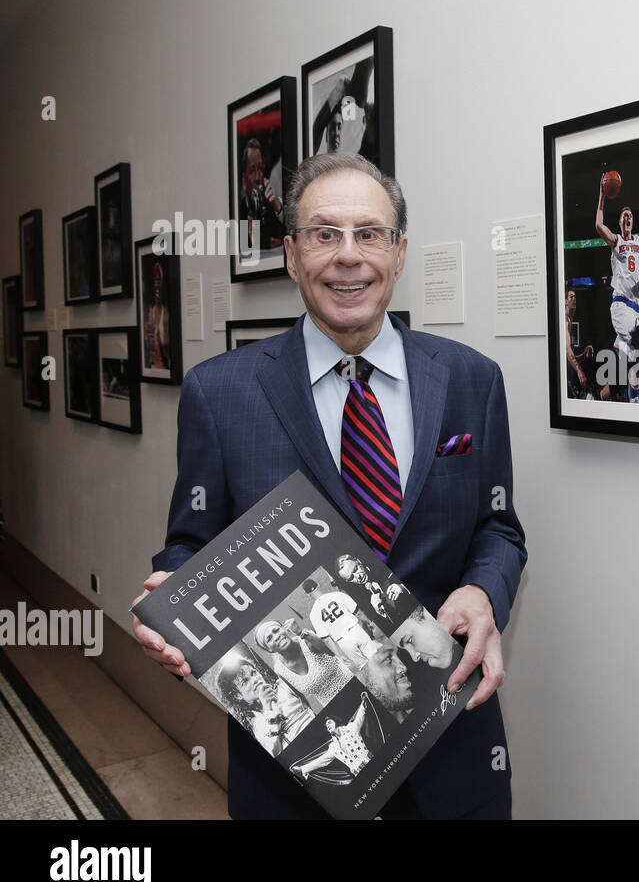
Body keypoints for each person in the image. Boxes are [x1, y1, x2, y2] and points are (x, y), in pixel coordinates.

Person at [132, 150, 526, 820]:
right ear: (291, 255)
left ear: (399, 252)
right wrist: (175, 598)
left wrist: (483, 590)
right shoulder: (220, 394)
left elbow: (498, 527)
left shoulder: (471, 380)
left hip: (451, 748)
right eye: (324, 233)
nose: (350, 256)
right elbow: (189, 545)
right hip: (297, 770)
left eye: (369, 233)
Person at [594, 181, 639, 399]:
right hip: (620, 306)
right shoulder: (615, 240)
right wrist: (602, 196)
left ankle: (611, 395)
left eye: (630, 215)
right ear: (620, 221)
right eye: (624, 215)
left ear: (633, 221)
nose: (627, 217)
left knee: (635, 360)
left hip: (635, 309)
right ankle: (631, 392)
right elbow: (598, 226)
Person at [255, 618, 352, 705]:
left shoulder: (306, 639)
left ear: (284, 629)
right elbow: (300, 698)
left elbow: (332, 652)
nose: (276, 637)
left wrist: (300, 633)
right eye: (269, 638)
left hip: (352, 685)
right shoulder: (279, 670)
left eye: (276, 630)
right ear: (269, 649)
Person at [238, 137, 286, 252]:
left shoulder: (268, 206)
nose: (257, 177)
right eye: (252, 170)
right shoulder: (239, 211)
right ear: (244, 180)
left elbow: (289, 233)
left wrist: (276, 204)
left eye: (260, 168)